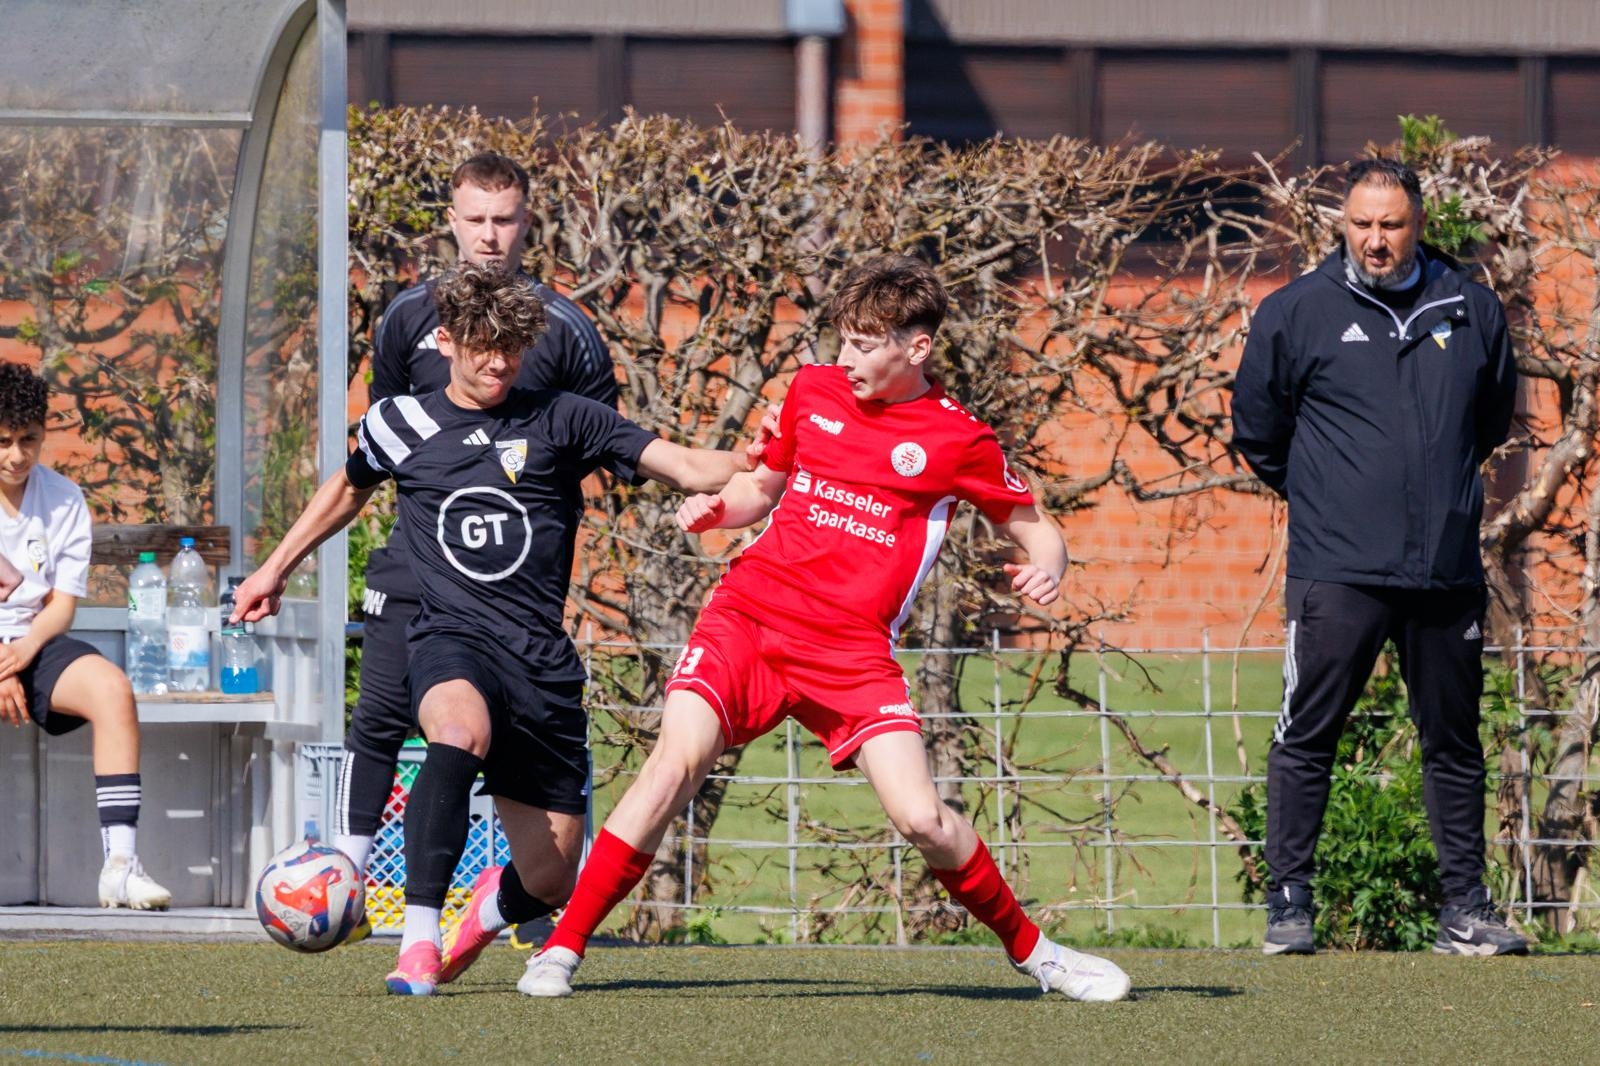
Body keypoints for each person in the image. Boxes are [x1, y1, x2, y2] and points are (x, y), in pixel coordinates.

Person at [440, 254, 1131, 1002]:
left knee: (924, 820)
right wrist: (719, 509)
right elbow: (759, 488)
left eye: (864, 345)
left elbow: (1036, 529)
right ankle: (561, 950)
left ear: (918, 348)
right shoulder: (812, 390)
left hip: (850, 654)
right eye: (843, 341)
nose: (846, 358)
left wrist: (1048, 569)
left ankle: (1039, 955)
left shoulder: (958, 438)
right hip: (751, 617)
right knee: (671, 768)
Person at [231, 262, 756, 995]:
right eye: (483, 347)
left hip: (540, 664)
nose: (499, 364)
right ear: (446, 340)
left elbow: (690, 467)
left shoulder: (565, 417)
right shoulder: (400, 421)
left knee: (551, 875)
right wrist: (274, 568)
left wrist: (773, 460)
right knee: (457, 730)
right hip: (449, 639)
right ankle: (417, 939)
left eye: (512, 348)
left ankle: (481, 915)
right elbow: (348, 489)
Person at [1232, 157, 1522, 956]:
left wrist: (1436, 495)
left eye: (1391, 225)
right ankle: (1290, 907)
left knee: (1453, 743)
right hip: (1338, 572)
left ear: (1419, 224)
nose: (1375, 239)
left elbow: (1489, 420)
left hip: (1445, 572)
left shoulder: (1472, 309)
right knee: (1307, 734)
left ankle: (1464, 911)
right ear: (1343, 223)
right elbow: (1258, 429)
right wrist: (1331, 496)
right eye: (1361, 224)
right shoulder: (1296, 313)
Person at [335, 152, 618, 918]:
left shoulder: (568, 329)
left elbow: (596, 442)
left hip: (510, 571)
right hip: (416, 555)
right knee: (384, 713)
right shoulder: (408, 315)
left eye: (505, 220)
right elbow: (387, 437)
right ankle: (347, 888)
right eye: (476, 219)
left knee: (501, 739)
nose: (490, 235)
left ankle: (506, 906)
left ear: (526, 223)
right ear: (452, 222)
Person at [0, 361, 171, 910]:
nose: (16, 455)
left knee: (112, 688)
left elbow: (62, 606)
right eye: (3, 441)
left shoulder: (64, 497)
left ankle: (120, 866)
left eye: (28, 440)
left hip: (33, 640)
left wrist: (20, 652)